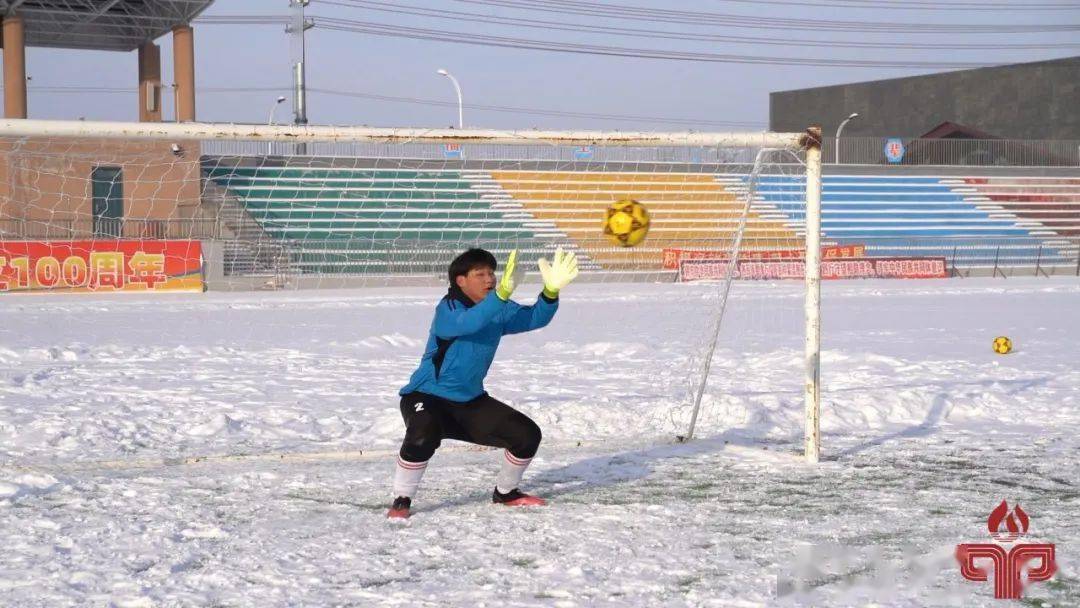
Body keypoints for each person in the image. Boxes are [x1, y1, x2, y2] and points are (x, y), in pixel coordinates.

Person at [388, 247, 579, 519]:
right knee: (422, 433)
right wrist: (500, 297)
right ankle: (401, 500)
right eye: (480, 274)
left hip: (469, 402)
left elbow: (534, 317)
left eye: (491, 273)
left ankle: (506, 493)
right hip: (426, 396)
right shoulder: (449, 308)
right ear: (461, 281)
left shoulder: (497, 308)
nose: (490, 279)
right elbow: (468, 324)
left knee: (527, 435)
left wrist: (550, 292)